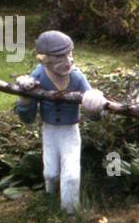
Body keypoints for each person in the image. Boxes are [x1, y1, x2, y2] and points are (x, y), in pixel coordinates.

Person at [14, 30, 108, 213]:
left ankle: (70, 212)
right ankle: (50, 200)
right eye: (59, 57)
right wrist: (24, 100)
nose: (68, 61)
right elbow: (28, 117)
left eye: (69, 54)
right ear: (44, 59)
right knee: (50, 174)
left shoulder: (76, 77)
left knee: (71, 175)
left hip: (70, 132)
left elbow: (94, 110)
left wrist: (94, 104)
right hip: (49, 131)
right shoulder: (39, 76)